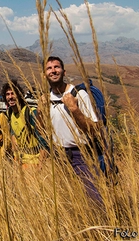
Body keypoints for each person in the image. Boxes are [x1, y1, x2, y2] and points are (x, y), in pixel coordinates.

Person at [40, 56, 103, 205]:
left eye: (57, 67)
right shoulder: (46, 98)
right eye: (49, 68)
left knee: (95, 199)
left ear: (64, 72)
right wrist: (41, 110)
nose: (53, 71)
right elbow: (41, 128)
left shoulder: (79, 94)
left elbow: (94, 130)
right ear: (44, 74)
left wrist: (74, 109)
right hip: (59, 156)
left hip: (81, 154)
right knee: (70, 198)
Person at [0, 80, 47, 169]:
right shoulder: (10, 113)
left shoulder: (29, 113)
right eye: (7, 94)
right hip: (19, 163)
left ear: (19, 95)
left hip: (34, 162)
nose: (10, 97)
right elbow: (14, 134)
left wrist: (40, 167)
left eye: (13, 93)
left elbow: (44, 140)